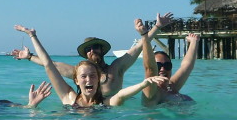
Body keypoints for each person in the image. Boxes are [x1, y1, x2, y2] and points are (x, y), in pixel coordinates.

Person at [11, 12, 174, 97]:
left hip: (112, 114)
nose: (92, 51)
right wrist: (29, 57)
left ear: (102, 50)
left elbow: (138, 47)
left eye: (95, 47)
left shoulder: (116, 68)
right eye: (88, 49)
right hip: (85, 112)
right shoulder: (78, 73)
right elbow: (51, 65)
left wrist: (157, 27)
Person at [139, 31, 200, 105]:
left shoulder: (172, 86)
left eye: (167, 65)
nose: (163, 69)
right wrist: (144, 36)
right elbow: (149, 68)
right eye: (158, 66)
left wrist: (194, 42)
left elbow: (187, 66)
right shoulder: (150, 91)